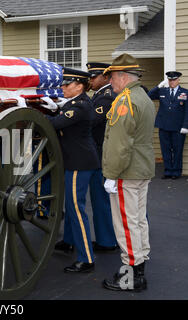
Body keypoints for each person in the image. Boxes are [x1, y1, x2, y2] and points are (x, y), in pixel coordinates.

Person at [101, 54, 155, 292]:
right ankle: (140, 266)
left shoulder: (125, 101)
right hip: (141, 168)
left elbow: (119, 144)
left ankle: (130, 276)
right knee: (138, 220)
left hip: (126, 171)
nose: (111, 82)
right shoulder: (143, 96)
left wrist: (111, 174)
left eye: (112, 77)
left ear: (123, 77)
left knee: (126, 223)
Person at [47, 68, 100, 273]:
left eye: (66, 84)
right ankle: (69, 241)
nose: (62, 87)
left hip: (80, 162)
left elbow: (55, 123)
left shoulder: (81, 106)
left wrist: (28, 110)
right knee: (71, 205)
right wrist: (55, 106)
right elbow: (62, 112)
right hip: (75, 160)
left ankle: (86, 258)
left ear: (79, 86)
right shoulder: (74, 103)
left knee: (77, 210)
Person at [86, 62, 118, 252]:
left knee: (102, 200)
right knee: (100, 199)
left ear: (105, 77)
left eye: (94, 76)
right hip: (99, 152)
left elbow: (93, 120)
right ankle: (106, 238)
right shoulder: (99, 95)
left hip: (101, 153)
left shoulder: (107, 97)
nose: (91, 80)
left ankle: (107, 241)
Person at [148, 71, 188, 180]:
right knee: (165, 150)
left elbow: (187, 111)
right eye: (170, 80)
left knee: (177, 150)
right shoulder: (163, 91)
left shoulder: (185, 92)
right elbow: (149, 96)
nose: (172, 82)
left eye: (174, 80)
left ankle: (176, 172)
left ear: (178, 80)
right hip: (164, 126)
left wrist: (185, 126)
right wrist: (158, 86)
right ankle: (168, 171)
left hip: (178, 127)